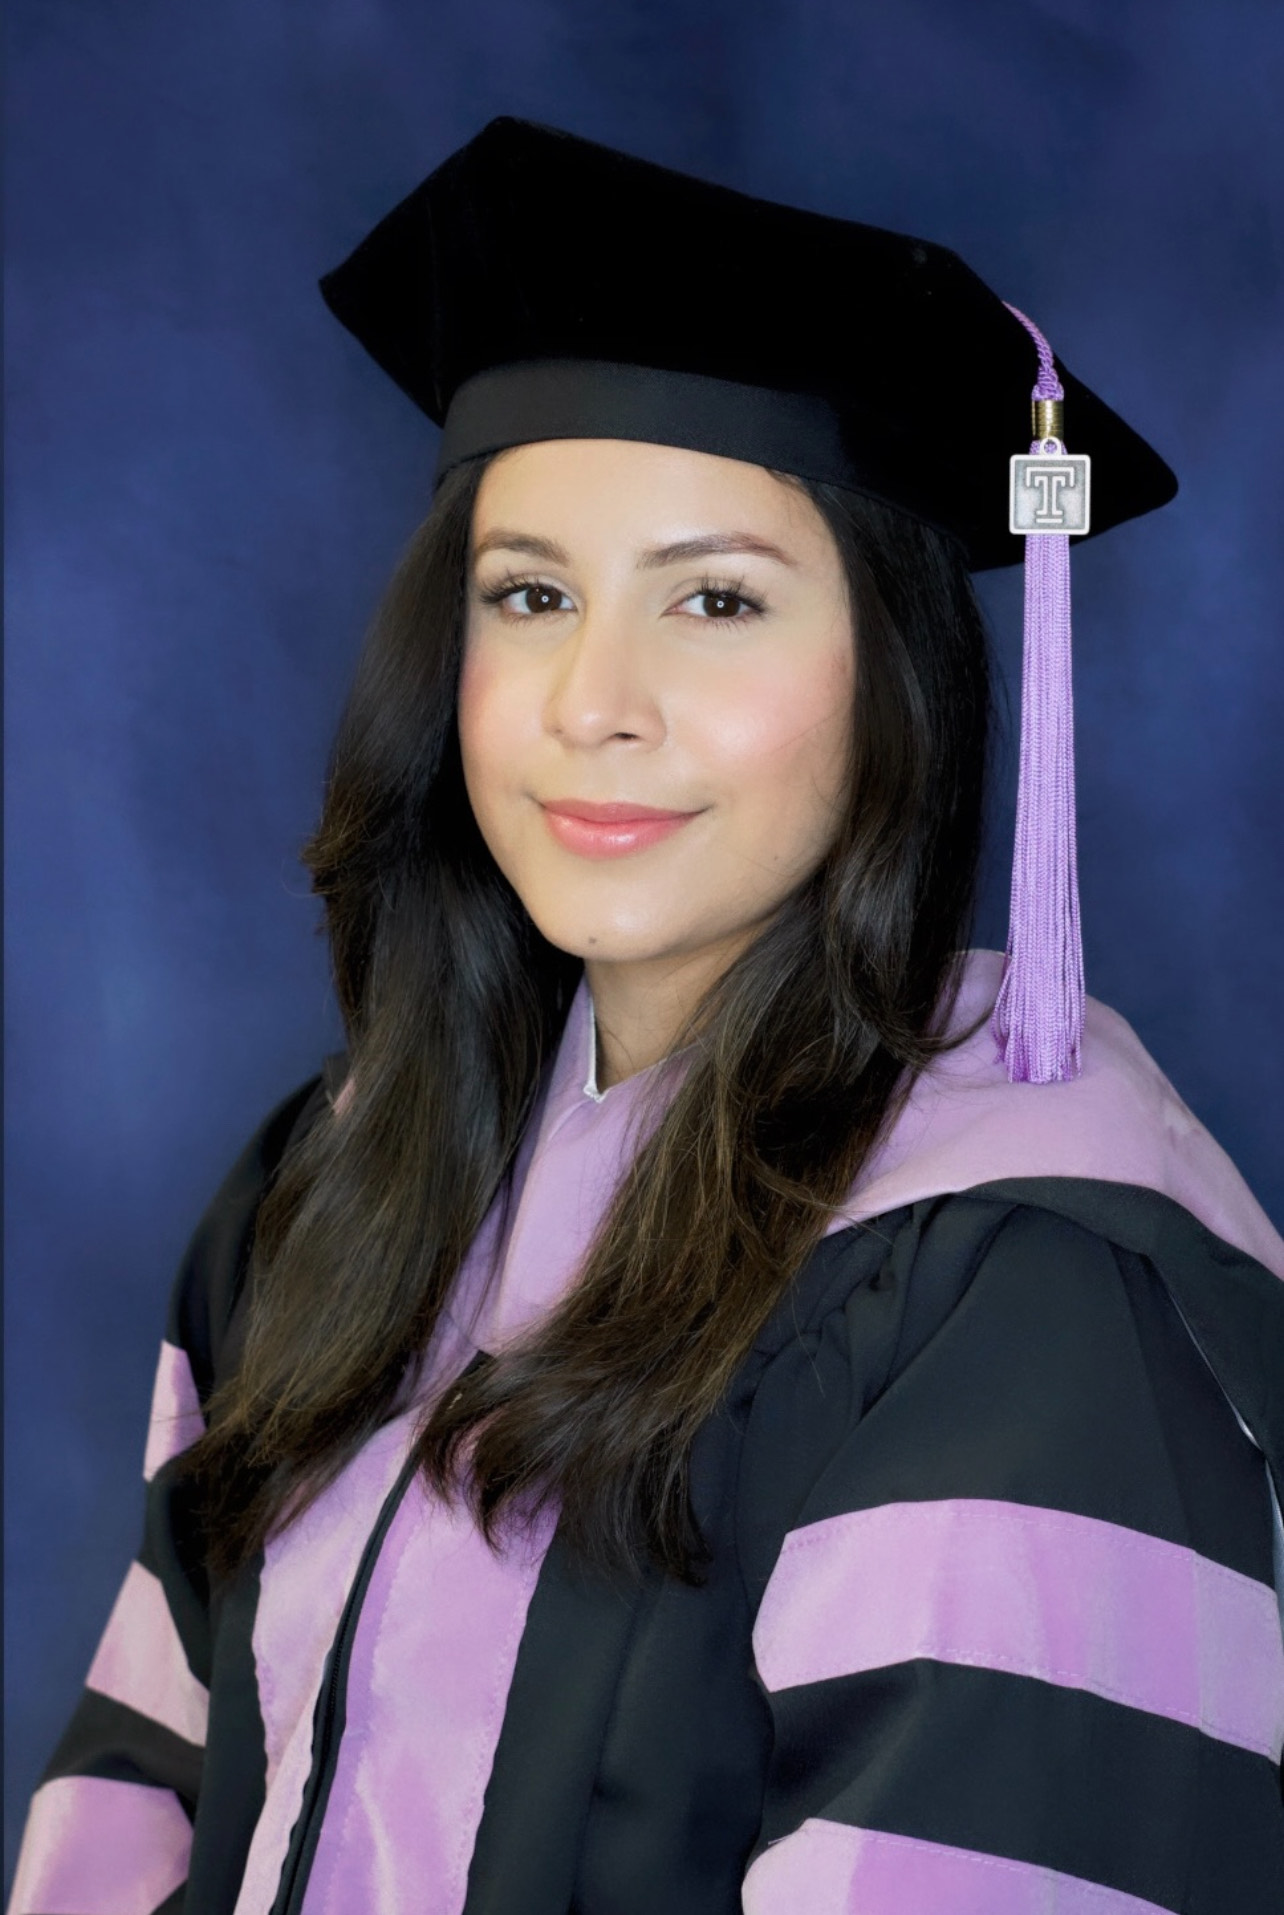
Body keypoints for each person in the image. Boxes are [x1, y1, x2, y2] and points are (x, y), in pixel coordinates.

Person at [10, 116, 1284, 1915]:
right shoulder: (325, 1192)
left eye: (716, 600)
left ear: (897, 677)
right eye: (529, 595)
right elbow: (142, 1796)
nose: (593, 700)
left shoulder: (1013, 1282)